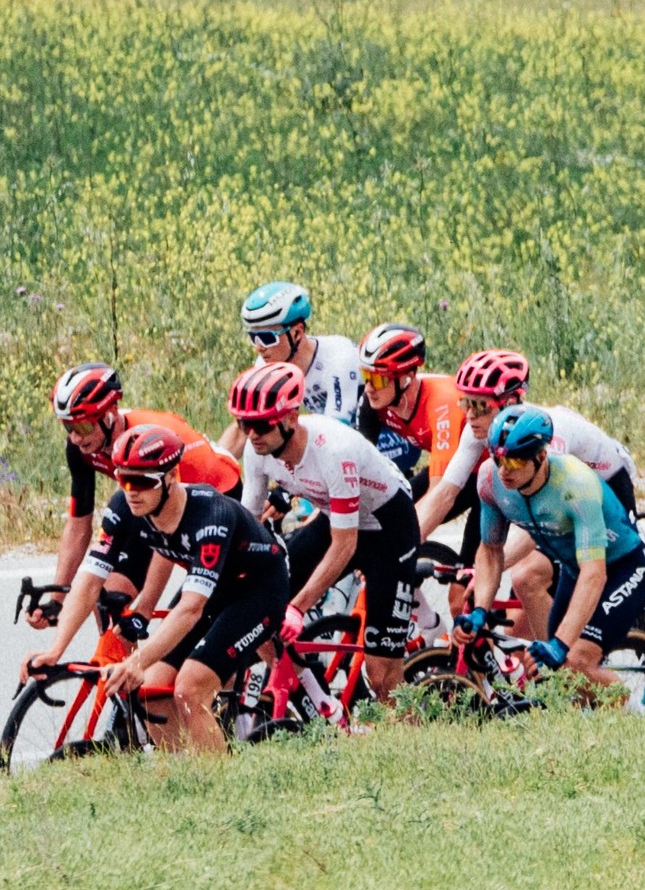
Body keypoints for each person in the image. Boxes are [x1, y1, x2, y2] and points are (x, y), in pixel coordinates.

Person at [80, 418, 285, 755]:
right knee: (152, 689)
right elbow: (89, 580)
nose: (130, 491)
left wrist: (136, 660)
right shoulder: (128, 506)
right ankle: (180, 780)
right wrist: (54, 651)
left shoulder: (211, 513)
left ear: (171, 478)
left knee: (189, 688)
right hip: (218, 589)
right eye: (123, 480)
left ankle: (220, 791)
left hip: (259, 589)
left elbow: (190, 608)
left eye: (142, 482)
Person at [229, 360, 422, 698]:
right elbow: (248, 523)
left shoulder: (334, 450)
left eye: (261, 425)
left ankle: (411, 742)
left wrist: (297, 607)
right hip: (335, 518)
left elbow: (345, 545)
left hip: (388, 529)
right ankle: (317, 702)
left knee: (381, 676)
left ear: (291, 418)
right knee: (253, 604)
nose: (252, 434)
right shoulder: (256, 450)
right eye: (245, 424)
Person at [471, 404, 645, 692]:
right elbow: (491, 550)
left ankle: (637, 719)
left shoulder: (575, 485)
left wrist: (560, 644)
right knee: (560, 678)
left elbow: (595, 573)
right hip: (573, 569)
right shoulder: (489, 481)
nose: (504, 471)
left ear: (541, 455)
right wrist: (480, 609)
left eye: (516, 462)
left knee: (574, 661)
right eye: (498, 459)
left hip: (624, 566)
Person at [416, 352, 638, 562]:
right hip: (570, 498)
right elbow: (445, 493)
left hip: (609, 485)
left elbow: (544, 520)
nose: (470, 415)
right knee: (524, 583)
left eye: (480, 406)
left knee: (530, 576)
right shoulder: (478, 428)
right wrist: (409, 546)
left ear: (510, 402)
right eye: (466, 403)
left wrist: (487, 569)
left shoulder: (545, 438)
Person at [49, 363, 238, 597]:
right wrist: (57, 595)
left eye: (83, 426)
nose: (76, 437)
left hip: (222, 492)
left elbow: (170, 522)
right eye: (68, 426)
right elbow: (78, 526)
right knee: (109, 596)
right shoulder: (80, 448)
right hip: (155, 499)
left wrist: (144, 610)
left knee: (208, 602)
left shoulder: (148, 441)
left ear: (109, 414)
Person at [352, 323, 464, 492]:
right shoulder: (374, 400)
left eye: (378, 379)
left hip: (491, 470)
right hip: (458, 468)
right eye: (366, 376)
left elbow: (439, 491)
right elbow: (354, 467)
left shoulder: (442, 404)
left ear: (407, 377)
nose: (368, 388)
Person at [240, 281, 365, 421]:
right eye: (253, 337)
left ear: (297, 333)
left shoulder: (339, 359)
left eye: (267, 338)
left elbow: (336, 430)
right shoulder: (265, 364)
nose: (259, 347)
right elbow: (252, 427)